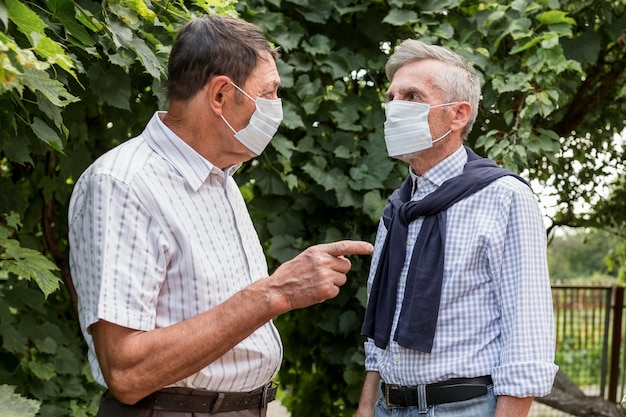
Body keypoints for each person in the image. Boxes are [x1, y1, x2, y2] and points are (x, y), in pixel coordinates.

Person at [68, 15, 373, 417]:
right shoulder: (124, 183)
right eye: (269, 92)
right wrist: (275, 294)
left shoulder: (222, 178)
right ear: (220, 96)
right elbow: (126, 372)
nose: (276, 108)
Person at [355, 39, 558, 417]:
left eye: (412, 96)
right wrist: (367, 405)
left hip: (462, 408)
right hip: (388, 405)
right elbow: (382, 328)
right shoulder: (399, 209)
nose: (395, 107)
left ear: (458, 114)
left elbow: (527, 335)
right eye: (392, 96)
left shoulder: (504, 197)